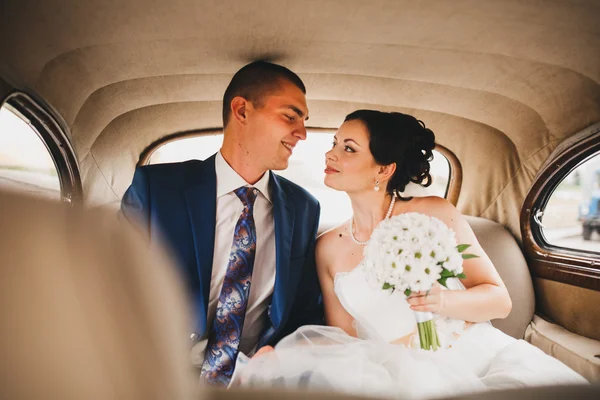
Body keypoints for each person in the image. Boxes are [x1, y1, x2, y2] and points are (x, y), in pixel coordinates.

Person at [230, 110, 587, 398]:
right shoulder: (327, 248)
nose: (331, 154)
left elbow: (499, 301)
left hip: (481, 362)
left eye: (349, 148)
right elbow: (345, 342)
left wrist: (440, 301)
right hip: (392, 378)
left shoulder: (433, 213)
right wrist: (282, 358)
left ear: (384, 170)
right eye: (335, 143)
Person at [120, 61, 323, 386]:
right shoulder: (157, 188)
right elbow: (116, 288)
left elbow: (305, 308)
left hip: (252, 384)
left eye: (304, 121)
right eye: (290, 116)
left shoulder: (304, 208)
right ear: (241, 111)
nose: (302, 133)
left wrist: (280, 355)